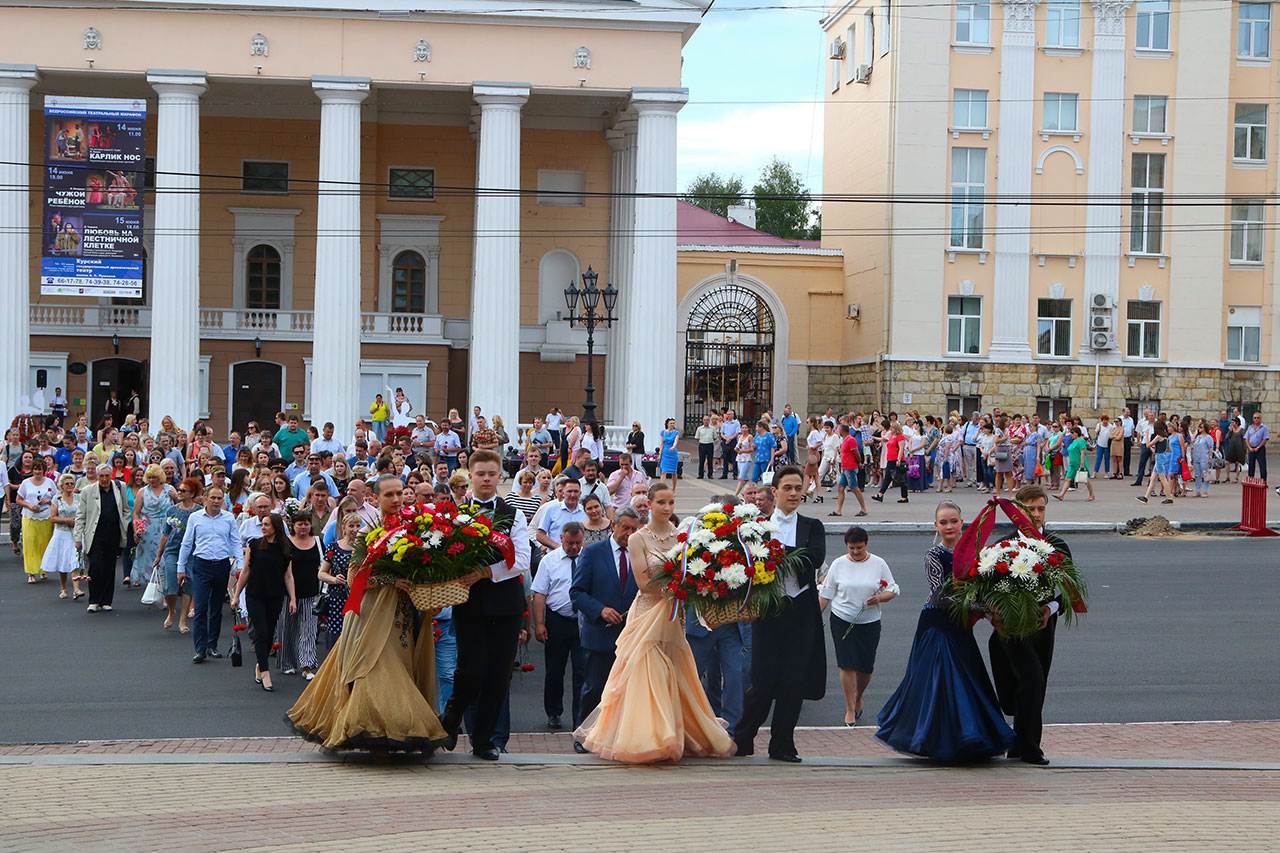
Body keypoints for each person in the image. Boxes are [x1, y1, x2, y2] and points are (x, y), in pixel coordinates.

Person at [574, 482, 735, 763]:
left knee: (675, 670)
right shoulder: (639, 539)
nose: (667, 508)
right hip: (648, 613)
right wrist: (679, 589)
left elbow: (696, 573)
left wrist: (692, 589)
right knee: (646, 670)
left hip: (674, 614)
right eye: (661, 502)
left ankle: (677, 733)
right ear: (649, 504)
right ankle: (650, 738)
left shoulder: (684, 538)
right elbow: (644, 583)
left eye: (671, 503)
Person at [287, 474, 448, 753]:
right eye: (389, 495)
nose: (396, 500)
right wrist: (390, 581)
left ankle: (393, 728)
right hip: (372, 612)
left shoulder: (416, 528)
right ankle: (376, 727)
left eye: (400, 493)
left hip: (403, 613)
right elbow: (353, 579)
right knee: (375, 667)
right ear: (376, 497)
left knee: (401, 664)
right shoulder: (367, 532)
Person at [875, 500, 1015, 762]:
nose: (949, 526)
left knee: (967, 679)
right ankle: (939, 740)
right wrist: (984, 609)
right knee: (941, 681)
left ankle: (970, 737)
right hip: (937, 622)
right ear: (936, 526)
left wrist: (993, 606)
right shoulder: (934, 556)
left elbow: (984, 587)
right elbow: (940, 594)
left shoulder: (978, 553)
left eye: (953, 521)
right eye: (943, 522)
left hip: (961, 625)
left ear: (963, 522)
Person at [439, 450, 531, 761]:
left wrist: (486, 572)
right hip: (470, 603)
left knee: (498, 673)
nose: (487, 479)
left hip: (506, 605)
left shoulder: (513, 514)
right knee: (470, 669)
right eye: (481, 474)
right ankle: (452, 716)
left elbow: (521, 560)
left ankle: (483, 740)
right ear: (470, 476)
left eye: (492, 473)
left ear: (500, 475)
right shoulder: (457, 515)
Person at [731, 467, 826, 762]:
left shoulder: (812, 525)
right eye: (788, 488)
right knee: (762, 680)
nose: (795, 493)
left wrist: (772, 555)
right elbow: (748, 563)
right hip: (768, 612)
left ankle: (783, 744)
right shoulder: (757, 526)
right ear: (775, 491)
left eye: (799, 488)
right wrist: (782, 555)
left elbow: (812, 560)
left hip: (801, 612)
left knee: (793, 681)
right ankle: (743, 739)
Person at [988, 484, 1071, 765]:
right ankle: (1024, 744)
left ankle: (1025, 747)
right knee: (1020, 691)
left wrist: (1051, 607)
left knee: (1036, 683)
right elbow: (983, 588)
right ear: (1018, 512)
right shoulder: (1003, 546)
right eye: (1030, 509)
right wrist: (994, 613)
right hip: (1009, 630)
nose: (1036, 514)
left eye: (1041, 508)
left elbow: (1072, 592)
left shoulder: (1057, 546)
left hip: (1042, 628)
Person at [570, 507, 641, 752]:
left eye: (634, 529)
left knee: (625, 691)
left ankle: (617, 736)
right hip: (600, 634)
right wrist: (599, 610)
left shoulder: (639, 554)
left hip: (631, 636)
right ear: (614, 526)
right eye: (625, 528)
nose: (629, 534)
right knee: (594, 688)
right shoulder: (592, 553)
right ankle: (584, 736)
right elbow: (577, 593)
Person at [818, 526, 898, 726]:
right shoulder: (838, 564)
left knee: (865, 667)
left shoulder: (879, 564)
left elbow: (893, 589)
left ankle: (858, 695)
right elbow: (826, 594)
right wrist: (812, 618)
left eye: (859, 548)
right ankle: (850, 708)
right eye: (851, 548)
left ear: (866, 544)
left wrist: (880, 597)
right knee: (847, 664)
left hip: (869, 622)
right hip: (842, 619)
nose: (855, 552)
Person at [177, 486, 243, 664]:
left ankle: (212, 645)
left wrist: (241, 565)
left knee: (216, 608)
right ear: (205, 498)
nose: (215, 501)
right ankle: (200, 649)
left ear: (223, 500)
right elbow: (187, 543)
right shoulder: (195, 517)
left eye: (219, 498)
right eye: (212, 497)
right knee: (201, 607)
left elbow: (236, 541)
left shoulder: (229, 518)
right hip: (201, 565)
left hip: (221, 564)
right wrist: (180, 568)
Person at [532, 522, 587, 731]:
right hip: (557, 621)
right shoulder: (549, 561)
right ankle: (554, 711)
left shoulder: (588, 559)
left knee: (582, 671)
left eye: (578, 543)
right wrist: (539, 623)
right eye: (570, 543)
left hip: (582, 622)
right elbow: (539, 593)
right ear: (562, 538)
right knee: (555, 670)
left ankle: (580, 716)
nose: (574, 547)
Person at [232, 513, 295, 692]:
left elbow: (288, 576)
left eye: (267, 524)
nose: (263, 527)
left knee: (269, 632)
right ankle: (266, 672)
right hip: (255, 594)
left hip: (275, 595)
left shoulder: (285, 547)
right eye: (263, 524)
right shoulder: (255, 544)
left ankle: (261, 664)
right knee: (260, 631)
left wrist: (293, 598)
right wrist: (236, 595)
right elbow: (245, 571)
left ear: (275, 526)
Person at [74, 464, 130, 612]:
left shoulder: (120, 487)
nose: (104, 479)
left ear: (111, 475)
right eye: (101, 476)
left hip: (114, 533)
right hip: (95, 534)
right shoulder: (87, 491)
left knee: (110, 568)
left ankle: (106, 600)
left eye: (107, 476)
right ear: (97, 476)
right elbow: (80, 516)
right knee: (95, 568)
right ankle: (94, 600)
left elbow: (125, 509)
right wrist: (78, 538)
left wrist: (124, 524)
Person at [153, 476, 201, 634]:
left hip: (191, 553)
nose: (179, 492)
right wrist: (159, 555)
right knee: (171, 586)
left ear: (192, 493)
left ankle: (182, 619)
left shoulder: (199, 511)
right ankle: (172, 611)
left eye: (183, 490)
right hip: (172, 550)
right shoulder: (172, 510)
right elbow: (165, 534)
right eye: (178, 490)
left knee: (188, 584)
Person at [278, 510, 323, 680]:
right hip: (288, 594)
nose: (303, 527)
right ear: (293, 525)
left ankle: (307, 665)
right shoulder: (286, 543)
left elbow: (324, 564)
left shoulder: (317, 542)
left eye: (306, 523)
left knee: (309, 631)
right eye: (299, 524)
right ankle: (287, 663)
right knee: (287, 629)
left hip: (312, 593)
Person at [132, 465, 174, 601]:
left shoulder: (169, 489)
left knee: (166, 558)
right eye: (149, 477)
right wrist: (137, 530)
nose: (152, 480)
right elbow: (136, 513)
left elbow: (180, 507)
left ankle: (166, 591)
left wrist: (177, 498)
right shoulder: (143, 491)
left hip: (167, 527)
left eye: (154, 477)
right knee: (151, 559)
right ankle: (155, 588)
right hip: (148, 529)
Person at [318, 512, 359, 650]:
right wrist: (334, 579)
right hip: (337, 597)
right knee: (336, 632)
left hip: (357, 596)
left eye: (358, 526)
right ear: (344, 528)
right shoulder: (334, 548)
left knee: (354, 633)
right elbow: (321, 573)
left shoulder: (363, 549)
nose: (355, 529)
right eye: (351, 526)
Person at [15, 457, 56, 583]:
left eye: (40, 469)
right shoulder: (25, 483)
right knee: (30, 544)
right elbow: (18, 499)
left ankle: (43, 569)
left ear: (44, 470)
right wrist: (29, 505)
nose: (38, 472)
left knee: (44, 544)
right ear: (32, 470)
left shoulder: (50, 482)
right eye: (36, 469)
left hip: (45, 518)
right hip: (29, 517)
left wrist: (48, 501)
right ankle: (31, 572)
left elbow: (57, 498)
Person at [42, 473, 82, 600]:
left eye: (72, 483)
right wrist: (67, 521)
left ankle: (76, 589)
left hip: (75, 533)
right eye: (67, 484)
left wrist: (77, 522)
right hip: (61, 533)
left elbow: (82, 514)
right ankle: (64, 588)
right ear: (62, 486)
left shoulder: (79, 498)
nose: (70, 486)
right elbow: (52, 518)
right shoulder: (56, 499)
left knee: (75, 560)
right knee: (63, 561)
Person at [831, 424, 868, 518]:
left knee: (854, 488)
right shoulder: (845, 440)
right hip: (845, 467)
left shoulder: (850, 440)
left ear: (843, 431)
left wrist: (859, 462)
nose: (837, 431)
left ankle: (863, 509)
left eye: (838, 429)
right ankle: (838, 510)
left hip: (850, 467)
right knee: (841, 488)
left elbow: (856, 452)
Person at [1054, 426, 1094, 502]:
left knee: (1085, 480)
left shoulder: (1081, 440)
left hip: (1079, 462)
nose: (1071, 434)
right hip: (1072, 463)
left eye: (1072, 433)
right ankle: (1061, 495)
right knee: (1068, 479)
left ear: (1076, 433)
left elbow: (1082, 452)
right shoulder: (1074, 441)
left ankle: (1091, 495)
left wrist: (1082, 463)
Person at [1245, 412, 1269, 482]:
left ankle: (1263, 481)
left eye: (1258, 418)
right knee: (1251, 466)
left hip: (1260, 449)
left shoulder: (1264, 428)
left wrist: (1258, 447)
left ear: (1260, 419)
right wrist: (1249, 447)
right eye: (1254, 418)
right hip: (1251, 449)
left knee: (1262, 466)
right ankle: (1250, 480)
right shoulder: (1250, 427)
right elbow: (1246, 438)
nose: (1256, 419)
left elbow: (1265, 439)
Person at [694, 415, 717, 479]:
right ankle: (700, 474)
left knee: (710, 460)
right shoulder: (699, 428)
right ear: (702, 421)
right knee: (701, 460)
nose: (706, 421)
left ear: (709, 421)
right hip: (702, 445)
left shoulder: (712, 428)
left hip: (710, 444)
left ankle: (710, 474)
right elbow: (697, 437)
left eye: (707, 420)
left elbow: (715, 437)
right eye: (704, 420)